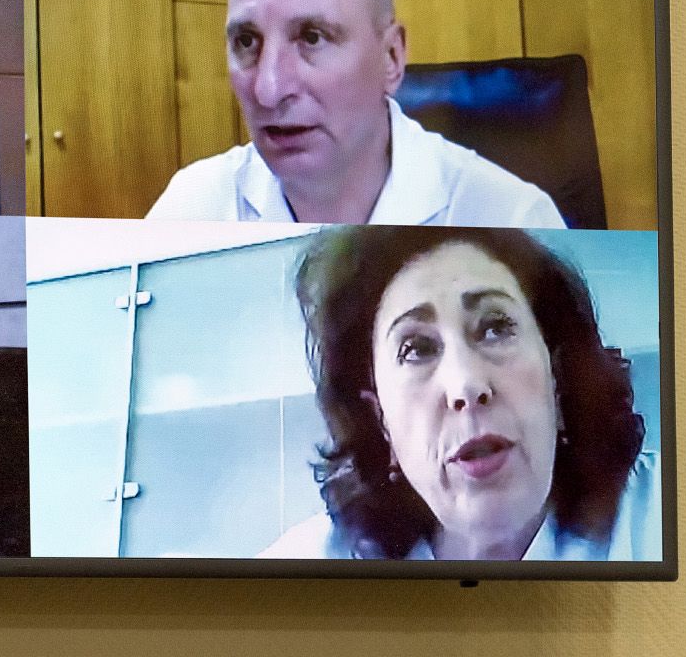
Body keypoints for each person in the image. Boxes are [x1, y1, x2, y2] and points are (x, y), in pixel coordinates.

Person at [260, 227, 658, 561]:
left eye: (495, 327)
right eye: (416, 349)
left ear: (557, 375)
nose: (465, 385)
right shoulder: (302, 569)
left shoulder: (671, 513)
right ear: (380, 419)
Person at [147, 0, 565, 227]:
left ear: (391, 58)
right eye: (246, 41)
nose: (268, 89)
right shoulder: (192, 208)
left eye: (312, 37)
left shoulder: (512, 220)